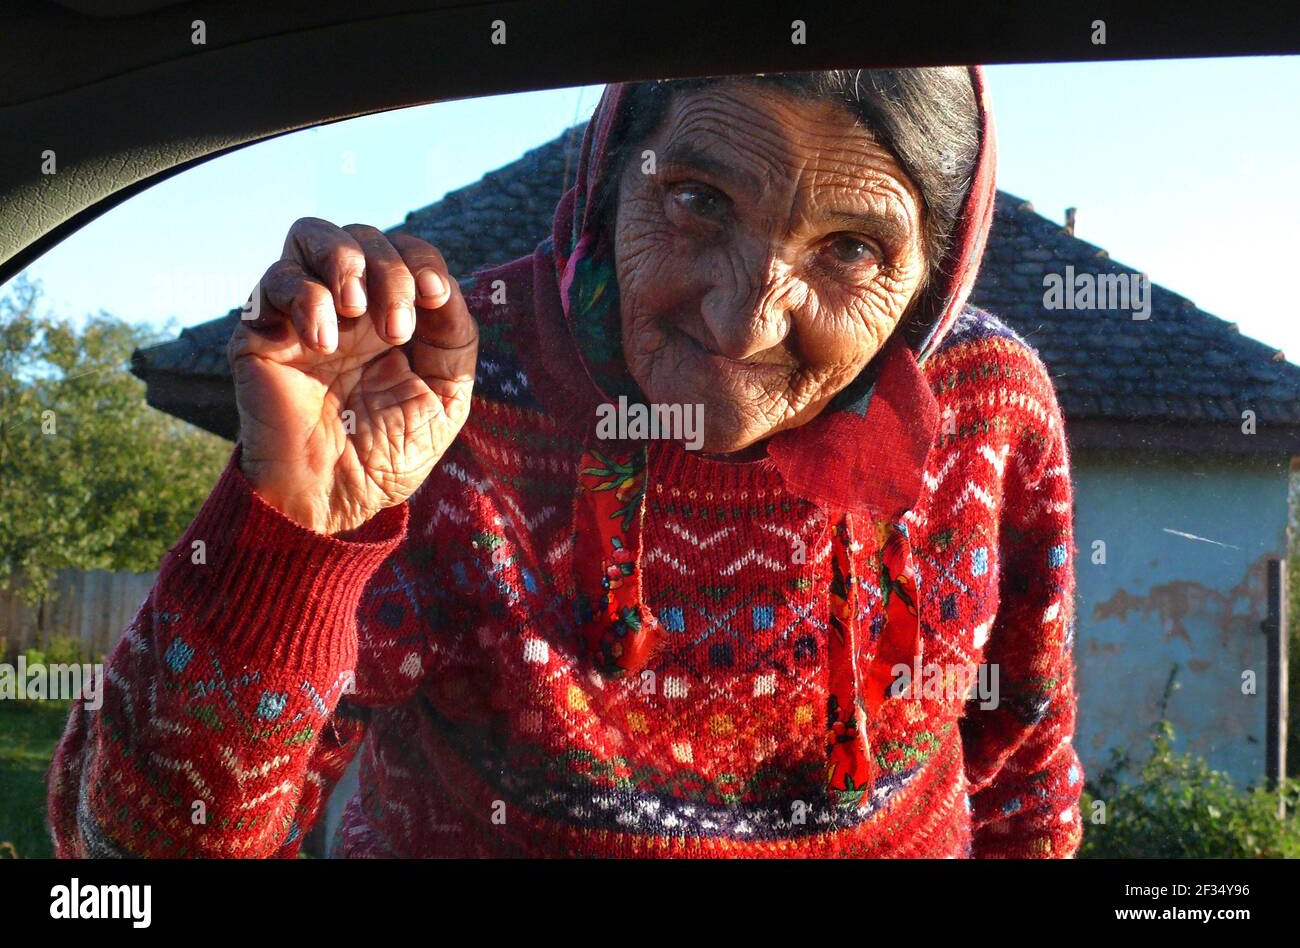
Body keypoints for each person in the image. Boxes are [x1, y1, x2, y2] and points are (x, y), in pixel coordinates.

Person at [48, 65, 1084, 858]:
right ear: (606, 184)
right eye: (697, 200)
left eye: (851, 249)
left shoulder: (987, 408)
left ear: (930, 281)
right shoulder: (443, 399)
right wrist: (296, 527)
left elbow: (1025, 773)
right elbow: (131, 854)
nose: (743, 315)